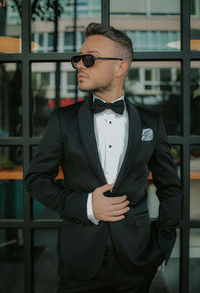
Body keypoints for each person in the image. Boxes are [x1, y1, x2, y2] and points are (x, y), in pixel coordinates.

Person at [25, 23, 182, 293]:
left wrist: (161, 247)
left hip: (137, 259)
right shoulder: (64, 120)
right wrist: (86, 205)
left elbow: (170, 188)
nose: (80, 66)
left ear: (120, 66)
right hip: (79, 260)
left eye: (90, 59)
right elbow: (36, 179)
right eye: (79, 59)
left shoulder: (151, 123)